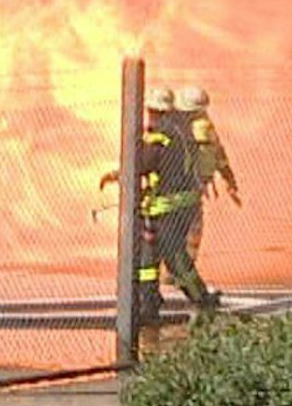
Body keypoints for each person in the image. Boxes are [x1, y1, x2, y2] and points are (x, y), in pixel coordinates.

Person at [101, 85, 219, 326]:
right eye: (151, 110)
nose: (151, 115)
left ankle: (200, 297)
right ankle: (150, 302)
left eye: (155, 111)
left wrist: (119, 174)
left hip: (170, 207)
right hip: (170, 205)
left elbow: (144, 163)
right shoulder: (179, 129)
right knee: (148, 256)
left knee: (173, 256)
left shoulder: (161, 135)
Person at [176, 84, 240, 267]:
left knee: (179, 225)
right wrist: (229, 179)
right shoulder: (205, 128)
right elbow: (219, 156)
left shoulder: (177, 126)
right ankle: (184, 267)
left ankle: (177, 267)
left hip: (181, 182)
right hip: (195, 184)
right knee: (192, 226)